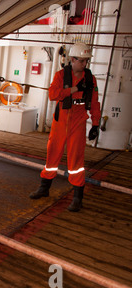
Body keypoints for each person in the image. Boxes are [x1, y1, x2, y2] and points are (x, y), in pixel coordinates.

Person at [29, 43, 101, 212]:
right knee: (52, 154)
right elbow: (53, 94)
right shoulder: (61, 75)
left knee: (76, 159)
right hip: (61, 120)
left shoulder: (90, 79)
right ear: (72, 59)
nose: (84, 64)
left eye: (86, 61)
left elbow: (95, 102)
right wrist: (75, 89)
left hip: (78, 120)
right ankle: (44, 188)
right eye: (81, 61)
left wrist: (95, 124)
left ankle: (77, 198)